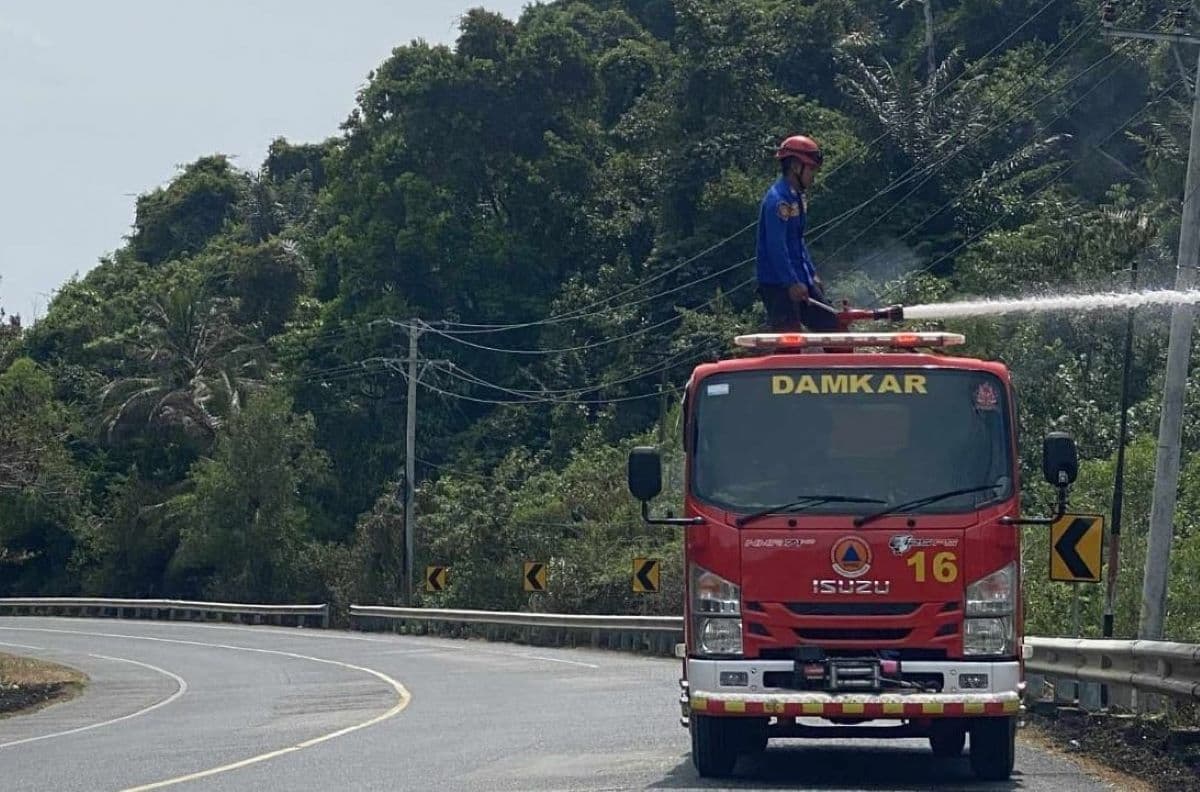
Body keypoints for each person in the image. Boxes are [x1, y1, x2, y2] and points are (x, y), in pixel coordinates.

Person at [755, 135, 839, 332]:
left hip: (800, 279)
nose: (813, 175)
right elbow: (777, 247)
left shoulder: (798, 198)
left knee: (833, 328)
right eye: (810, 169)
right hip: (778, 284)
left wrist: (811, 274)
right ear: (794, 166)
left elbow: (798, 242)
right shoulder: (778, 201)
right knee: (789, 340)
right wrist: (790, 282)